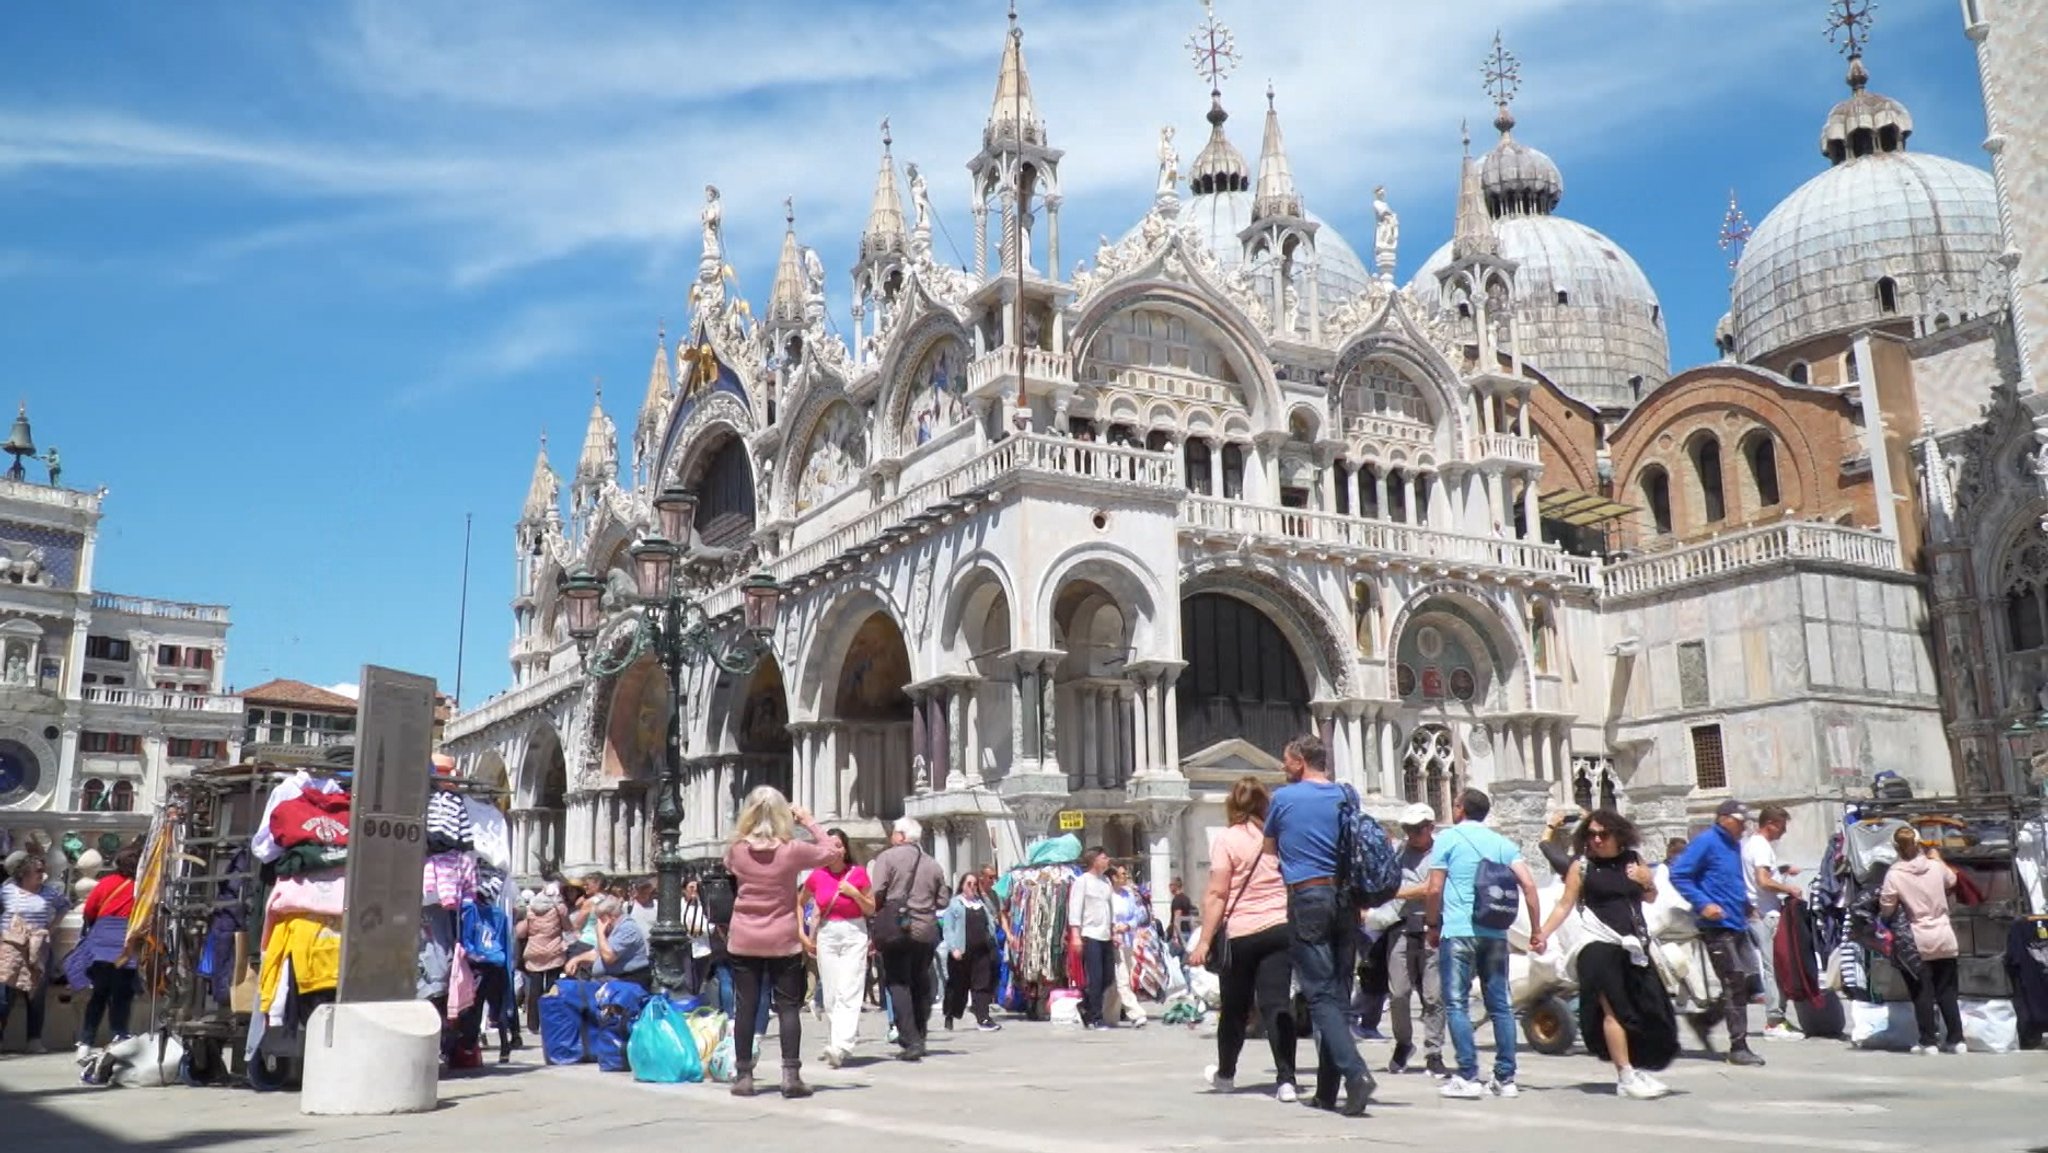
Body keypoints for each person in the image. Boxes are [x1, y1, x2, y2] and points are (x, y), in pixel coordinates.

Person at [1262, 735, 1373, 1117]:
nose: (1282, 766)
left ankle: (1356, 1073)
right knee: (1337, 994)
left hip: (1308, 897)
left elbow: (1269, 851)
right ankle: (1327, 1092)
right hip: (1345, 899)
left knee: (1320, 994)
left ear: (1299, 762)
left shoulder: (1283, 799)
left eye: (1285, 759)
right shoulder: (1346, 795)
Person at [1535, 810, 1679, 1099]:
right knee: (1614, 1009)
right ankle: (1625, 1075)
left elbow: (1650, 897)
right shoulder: (1582, 866)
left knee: (1648, 1007)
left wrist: (1645, 880)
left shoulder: (1633, 860)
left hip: (1634, 945)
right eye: (1592, 834)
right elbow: (1565, 904)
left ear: (1618, 835)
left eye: (1603, 834)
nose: (1597, 839)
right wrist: (1541, 933)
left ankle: (1636, 1068)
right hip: (1597, 945)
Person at [722, 786, 842, 1098]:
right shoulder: (792, 850)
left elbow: (730, 868)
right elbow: (832, 852)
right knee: (788, 1007)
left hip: (744, 938)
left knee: (745, 1006)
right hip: (782, 939)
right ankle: (790, 1076)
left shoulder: (736, 849)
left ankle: (744, 1075)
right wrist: (809, 821)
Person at [1428, 787, 1544, 1101]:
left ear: (1462, 808)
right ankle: (1505, 1078)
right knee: (1501, 1005)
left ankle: (1467, 1075)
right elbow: (1530, 886)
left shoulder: (1448, 840)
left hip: (1459, 930)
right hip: (1494, 933)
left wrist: (1432, 924)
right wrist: (1536, 930)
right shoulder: (1502, 844)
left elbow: (1434, 888)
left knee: (1456, 1003)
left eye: (1455, 804)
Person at [1189, 775, 1297, 1101]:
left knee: (1235, 1008)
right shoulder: (1278, 838)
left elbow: (1218, 893)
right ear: (1265, 804)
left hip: (1241, 934)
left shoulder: (1227, 839)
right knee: (1277, 1005)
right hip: (1279, 927)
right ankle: (1287, 1080)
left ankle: (1226, 1075)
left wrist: (1205, 941)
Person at [1669, 798, 1767, 1067]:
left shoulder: (1734, 845)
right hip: (1716, 927)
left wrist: (1745, 905)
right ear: (1724, 818)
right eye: (1740, 821)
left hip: (1737, 922)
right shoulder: (1707, 841)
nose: (1744, 827)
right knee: (1734, 980)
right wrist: (1703, 904)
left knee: (1749, 982)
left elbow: (1729, 879)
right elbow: (1679, 874)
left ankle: (1704, 1020)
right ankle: (1739, 1046)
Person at [867, 816, 948, 1061]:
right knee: (919, 982)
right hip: (925, 931)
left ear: (901, 836)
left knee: (898, 983)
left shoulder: (887, 858)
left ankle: (910, 1039)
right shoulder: (933, 864)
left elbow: (877, 893)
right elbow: (943, 900)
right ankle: (920, 1035)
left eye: (894, 833)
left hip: (896, 930)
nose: (891, 837)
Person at [1880, 826, 1964, 1054]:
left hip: (1917, 938)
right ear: (1919, 844)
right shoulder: (1936, 867)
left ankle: (1928, 1041)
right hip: (1945, 934)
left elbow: (1886, 907)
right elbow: (1952, 880)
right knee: (1947, 990)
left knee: (1922, 992)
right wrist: (1938, 858)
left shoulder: (1894, 874)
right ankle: (1956, 1040)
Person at [798, 828, 873, 1067]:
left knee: (849, 989)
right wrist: (802, 934)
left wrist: (855, 894)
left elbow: (871, 908)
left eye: (839, 845)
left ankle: (841, 1046)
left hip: (854, 932)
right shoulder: (817, 876)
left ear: (846, 848)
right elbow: (798, 903)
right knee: (830, 992)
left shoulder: (858, 874)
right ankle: (836, 1040)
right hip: (827, 934)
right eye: (830, 846)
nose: (835, 850)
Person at [1383, 803, 1446, 1078]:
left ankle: (1434, 1051)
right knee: (1398, 992)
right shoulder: (1399, 851)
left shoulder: (1443, 850)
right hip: (1402, 925)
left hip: (1434, 926)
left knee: (1433, 994)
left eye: (1417, 829)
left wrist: (1399, 892)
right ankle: (1403, 1043)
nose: (1411, 835)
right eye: (1407, 829)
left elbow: (1432, 888)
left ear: (1431, 828)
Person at [74, 845, 141, 1061]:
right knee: (122, 996)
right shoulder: (141, 887)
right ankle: (118, 1037)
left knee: (99, 995)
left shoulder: (105, 883)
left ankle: (85, 1042)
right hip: (125, 946)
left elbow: (89, 911)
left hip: (101, 945)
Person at [1744, 805, 1803, 1041]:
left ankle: (1777, 1017)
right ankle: (1774, 1020)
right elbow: (1762, 880)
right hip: (1767, 914)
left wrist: (1783, 870)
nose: (1784, 832)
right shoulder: (1760, 846)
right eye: (1782, 826)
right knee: (1774, 967)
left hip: (1761, 911)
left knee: (1774, 966)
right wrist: (1789, 888)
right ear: (1771, 824)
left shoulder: (1751, 844)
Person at [0, 854, 69, 1053]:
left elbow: (64, 906)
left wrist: (51, 927)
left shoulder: (49, 893)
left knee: (36, 996)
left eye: (43, 869)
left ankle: (34, 1039)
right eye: (38, 870)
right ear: (24, 872)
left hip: (37, 949)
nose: (42, 874)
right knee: (4, 996)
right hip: (10, 948)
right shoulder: (7, 891)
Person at [940, 873, 1001, 1032]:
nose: (972, 887)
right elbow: (948, 929)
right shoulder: (955, 904)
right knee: (957, 988)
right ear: (962, 885)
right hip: (962, 953)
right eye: (969, 884)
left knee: (982, 985)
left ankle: (983, 1018)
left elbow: (992, 920)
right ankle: (950, 1015)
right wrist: (953, 948)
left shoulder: (980, 903)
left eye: (975, 884)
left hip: (982, 953)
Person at [1067, 847, 1117, 1031]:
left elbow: (1109, 908)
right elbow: (1075, 908)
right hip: (1090, 934)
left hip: (1105, 934)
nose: (1107, 860)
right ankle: (1095, 1017)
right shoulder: (1082, 882)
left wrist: (1113, 930)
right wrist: (1075, 935)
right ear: (1094, 860)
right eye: (1104, 857)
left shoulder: (1106, 882)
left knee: (1108, 976)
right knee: (1095, 977)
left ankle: (1086, 1005)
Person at [562, 895, 651, 988]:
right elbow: (597, 952)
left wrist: (600, 933)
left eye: (600, 919)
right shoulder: (612, 929)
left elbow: (609, 957)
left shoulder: (628, 928)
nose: (598, 923)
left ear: (609, 918)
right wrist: (576, 959)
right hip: (611, 978)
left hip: (628, 980)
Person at [517, 884, 570, 1030]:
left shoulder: (530, 909)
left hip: (534, 950)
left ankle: (533, 1024)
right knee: (552, 986)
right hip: (554, 949)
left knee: (535, 987)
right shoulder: (560, 908)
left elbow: (522, 932)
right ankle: (551, 1019)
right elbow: (567, 927)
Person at [1108, 864, 1151, 1028]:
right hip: (1113, 940)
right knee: (1122, 978)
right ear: (1114, 877)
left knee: (1118, 980)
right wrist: (1113, 928)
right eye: (1122, 874)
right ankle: (1136, 1013)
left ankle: (1109, 1015)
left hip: (1127, 939)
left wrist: (1128, 926)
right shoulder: (1108, 895)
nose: (1125, 877)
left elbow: (1139, 916)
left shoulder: (1129, 895)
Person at [680, 877, 714, 997]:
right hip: (686, 948)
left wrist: (698, 929)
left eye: (696, 887)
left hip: (703, 948)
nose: (694, 890)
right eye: (691, 887)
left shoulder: (704, 906)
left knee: (700, 979)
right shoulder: (681, 906)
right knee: (689, 980)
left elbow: (711, 925)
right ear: (684, 890)